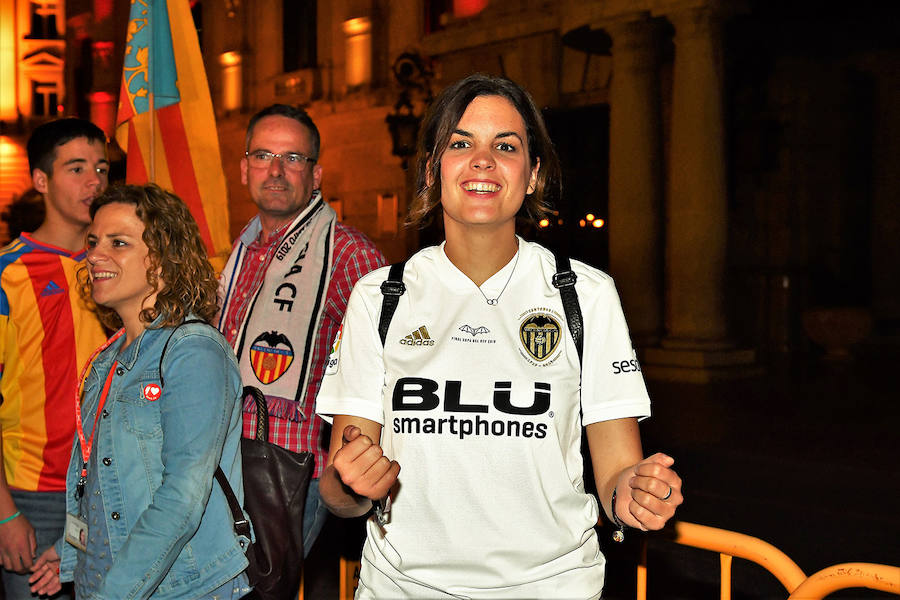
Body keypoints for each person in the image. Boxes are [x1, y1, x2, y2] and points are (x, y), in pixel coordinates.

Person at [317, 74, 684, 598]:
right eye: (460, 143)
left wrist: (635, 493)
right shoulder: (380, 297)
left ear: (532, 174)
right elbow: (339, 489)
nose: (483, 160)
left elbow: (617, 471)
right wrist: (351, 483)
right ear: (430, 171)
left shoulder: (585, 294)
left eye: (505, 146)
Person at [28, 184, 250, 599]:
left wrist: (113, 593)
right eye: (93, 241)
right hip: (105, 582)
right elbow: (96, 484)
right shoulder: (106, 359)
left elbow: (182, 499)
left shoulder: (193, 352)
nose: (94, 255)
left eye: (118, 242)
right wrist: (72, 553)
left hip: (180, 588)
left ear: (165, 259)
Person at [217, 104, 385, 556]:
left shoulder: (349, 254)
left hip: (292, 469)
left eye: (293, 158)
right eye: (262, 156)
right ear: (243, 169)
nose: (275, 170)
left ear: (316, 175)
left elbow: (389, 364)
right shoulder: (241, 249)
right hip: (223, 460)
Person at [0, 118, 108, 600]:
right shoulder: (8, 275)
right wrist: (3, 513)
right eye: (77, 168)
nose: (95, 182)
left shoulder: (121, 269)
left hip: (108, 493)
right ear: (41, 181)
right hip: (33, 500)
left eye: (102, 168)